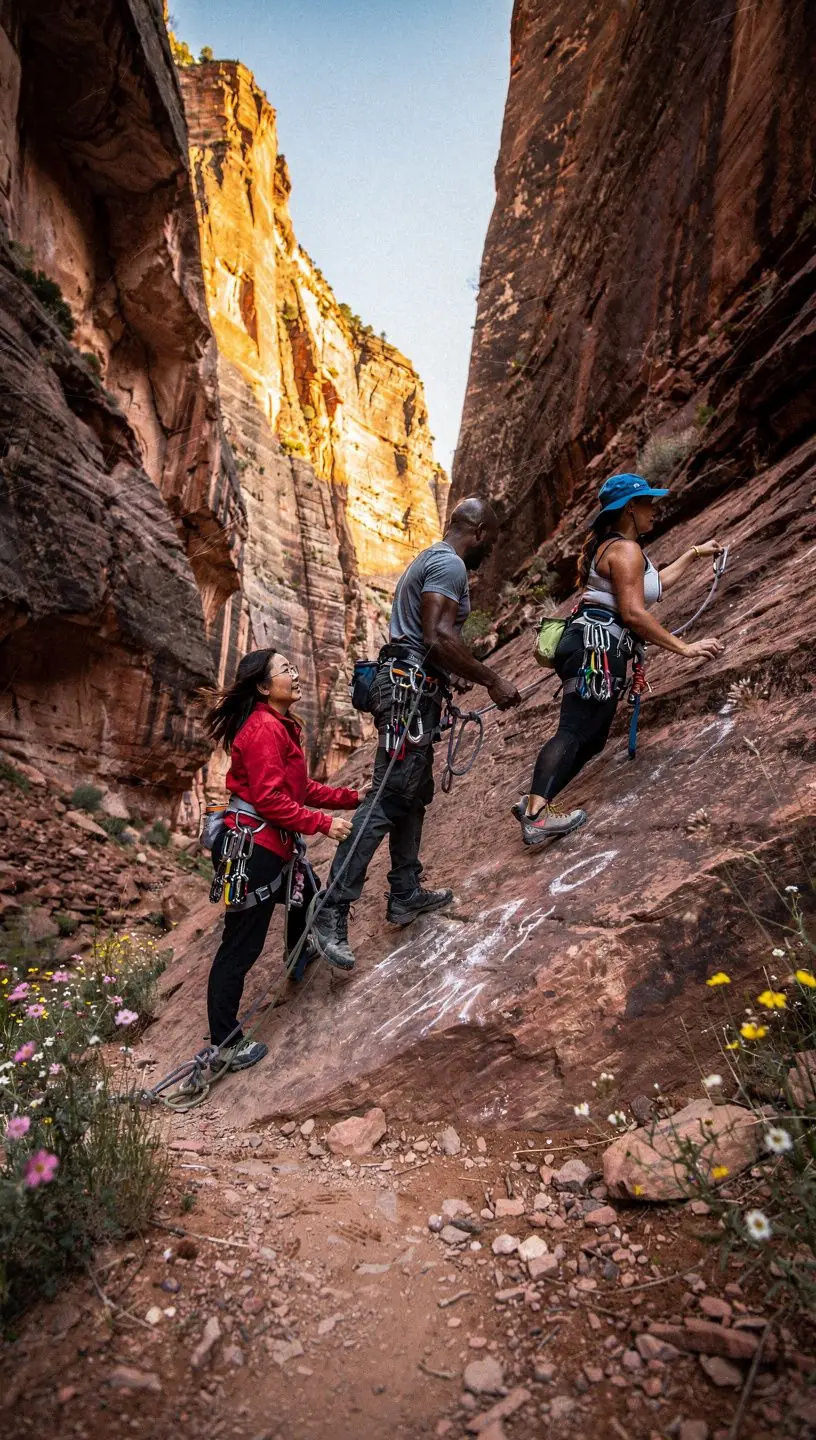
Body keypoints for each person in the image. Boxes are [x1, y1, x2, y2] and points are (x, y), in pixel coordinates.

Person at [312, 496, 522, 972]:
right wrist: (493, 678)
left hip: (410, 690)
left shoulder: (429, 558)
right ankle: (331, 907)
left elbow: (431, 642)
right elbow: (436, 636)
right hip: (408, 696)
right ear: (480, 533)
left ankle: (405, 891)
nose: (490, 551)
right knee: (388, 797)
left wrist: (454, 674)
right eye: (492, 540)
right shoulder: (450, 565)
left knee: (412, 793)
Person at [514, 472, 725, 847]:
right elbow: (633, 613)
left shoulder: (617, 549)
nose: (654, 510)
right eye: (648, 502)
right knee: (575, 730)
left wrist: (693, 553)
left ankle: (535, 800)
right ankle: (536, 814)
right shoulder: (624, 551)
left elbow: (652, 586)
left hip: (586, 644)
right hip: (597, 647)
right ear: (630, 507)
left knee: (591, 738)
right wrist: (685, 647)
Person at [201, 648, 359, 1071]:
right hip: (255, 850)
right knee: (240, 947)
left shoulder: (279, 726)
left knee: (307, 894)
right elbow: (271, 800)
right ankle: (224, 1044)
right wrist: (324, 824)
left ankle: (299, 956)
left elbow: (298, 788)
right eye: (285, 669)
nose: (295, 672)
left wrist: (352, 797)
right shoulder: (264, 729)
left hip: (268, 846)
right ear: (264, 686)